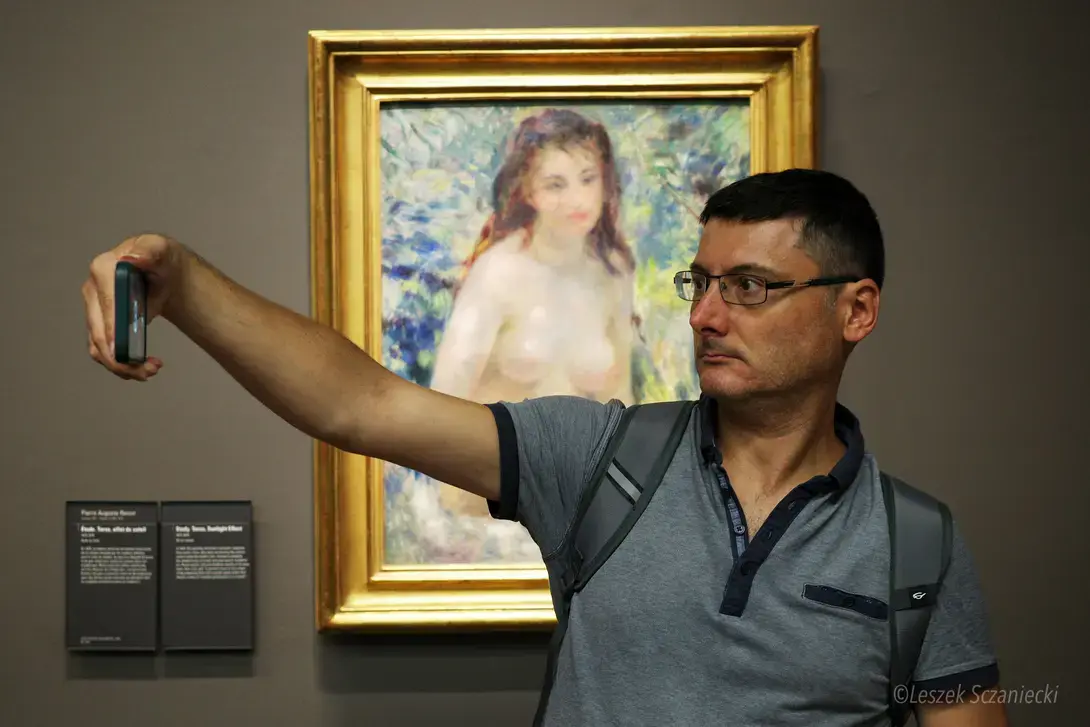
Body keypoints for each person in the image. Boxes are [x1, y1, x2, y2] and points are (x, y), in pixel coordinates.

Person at [82, 168, 1008, 726]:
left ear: (857, 309)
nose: (705, 314)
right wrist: (185, 285)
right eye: (701, 282)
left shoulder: (916, 546)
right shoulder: (602, 458)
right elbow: (360, 404)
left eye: (752, 286)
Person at [427, 107, 637, 521]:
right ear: (528, 190)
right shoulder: (498, 273)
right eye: (555, 184)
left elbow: (624, 402)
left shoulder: (613, 272)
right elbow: (443, 401)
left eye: (588, 179)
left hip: (581, 513)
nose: (577, 199)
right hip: (491, 511)